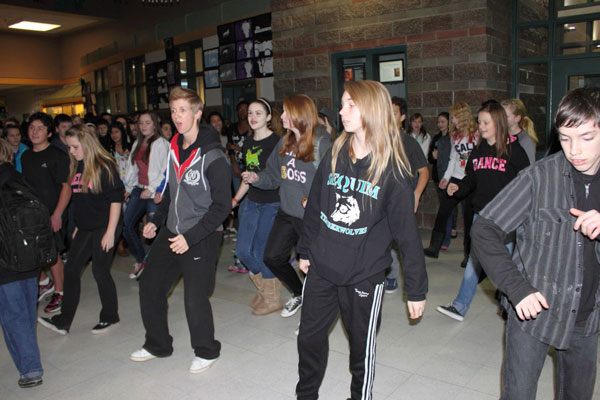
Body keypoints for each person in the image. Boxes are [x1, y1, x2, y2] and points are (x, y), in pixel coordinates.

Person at [295, 80, 427, 400]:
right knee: (309, 338)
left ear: (371, 110)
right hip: (323, 265)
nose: (341, 112)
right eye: (342, 104)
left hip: (363, 273)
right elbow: (315, 206)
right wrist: (305, 250)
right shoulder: (335, 152)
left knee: (360, 349)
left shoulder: (393, 170)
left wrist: (416, 289)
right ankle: (306, 395)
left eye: (350, 105)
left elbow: (407, 235)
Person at [472, 88, 600, 400]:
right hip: (534, 313)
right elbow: (485, 229)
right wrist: (517, 289)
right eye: (565, 138)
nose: (574, 150)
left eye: (586, 137)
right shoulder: (540, 177)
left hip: (587, 318)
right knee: (518, 394)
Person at [130, 87, 231, 374]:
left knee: (194, 297)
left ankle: (207, 351)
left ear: (198, 113)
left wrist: (190, 237)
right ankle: (157, 344)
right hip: (173, 229)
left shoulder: (213, 156)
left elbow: (222, 207)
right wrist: (157, 219)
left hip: (203, 234)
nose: (177, 116)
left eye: (183, 110)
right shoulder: (174, 144)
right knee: (150, 285)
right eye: (173, 111)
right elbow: (172, 191)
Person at [436, 102, 529, 322]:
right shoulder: (478, 150)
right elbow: (471, 178)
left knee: (504, 264)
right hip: (482, 215)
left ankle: (511, 305)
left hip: (505, 218)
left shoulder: (515, 151)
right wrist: (458, 188)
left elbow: (527, 183)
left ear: (498, 123)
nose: (481, 126)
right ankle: (459, 306)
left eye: (486, 122)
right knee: (474, 260)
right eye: (479, 122)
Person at [242, 94, 331, 318]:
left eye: (286, 112)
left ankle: (315, 314)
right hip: (287, 212)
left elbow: (332, 181)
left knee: (312, 266)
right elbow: (273, 176)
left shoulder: (321, 143)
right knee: (272, 257)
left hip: (310, 217)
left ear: (299, 114)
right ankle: (299, 293)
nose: (281, 116)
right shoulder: (284, 142)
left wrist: (316, 200)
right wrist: (256, 178)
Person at [37, 124, 123, 335]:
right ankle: (63, 321)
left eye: (75, 147)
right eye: (69, 147)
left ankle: (110, 316)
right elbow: (80, 200)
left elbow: (116, 200)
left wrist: (110, 231)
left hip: (106, 225)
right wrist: (77, 225)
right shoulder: (77, 166)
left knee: (100, 271)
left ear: (87, 144)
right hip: (86, 227)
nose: (71, 151)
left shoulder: (104, 165)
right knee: (72, 270)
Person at [232, 98, 282, 315]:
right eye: (250, 113)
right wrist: (235, 200)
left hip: (272, 203)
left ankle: (272, 298)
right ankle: (265, 289)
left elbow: (278, 178)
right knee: (243, 251)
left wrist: (257, 178)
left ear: (269, 117)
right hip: (252, 201)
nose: (252, 117)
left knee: (261, 252)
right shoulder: (248, 143)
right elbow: (247, 177)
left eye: (258, 113)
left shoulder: (277, 143)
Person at [0, 139, 44, 388]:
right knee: (26, 313)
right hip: (29, 258)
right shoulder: (20, 178)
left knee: (13, 316)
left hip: (5, 262)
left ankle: (30, 368)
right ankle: (30, 357)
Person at [21, 112, 70, 314]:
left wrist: (57, 214)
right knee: (36, 252)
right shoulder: (25, 156)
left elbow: (66, 187)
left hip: (54, 212)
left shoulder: (57, 155)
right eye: (32, 128)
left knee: (53, 254)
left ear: (49, 133)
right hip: (34, 213)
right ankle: (45, 283)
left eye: (40, 128)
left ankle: (61, 292)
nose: (35, 132)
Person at [385, 97, 429, 293]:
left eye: (393, 113)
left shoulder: (409, 143)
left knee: (403, 243)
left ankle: (403, 282)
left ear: (402, 117)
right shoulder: (378, 140)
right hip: (381, 198)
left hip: (402, 200)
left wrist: (416, 195)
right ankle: (387, 274)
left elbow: (424, 172)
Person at [424, 102, 477, 260]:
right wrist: (446, 178)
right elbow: (453, 159)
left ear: (462, 116)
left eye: (454, 116)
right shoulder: (455, 136)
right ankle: (434, 247)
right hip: (455, 178)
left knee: (468, 218)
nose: (452, 120)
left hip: (469, 180)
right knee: (443, 213)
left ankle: (468, 255)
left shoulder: (476, 134)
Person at [123, 111, 169, 279]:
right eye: (141, 123)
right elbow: (132, 168)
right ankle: (142, 260)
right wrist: (128, 187)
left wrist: (152, 189)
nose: (143, 126)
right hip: (138, 189)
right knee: (126, 225)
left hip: (154, 191)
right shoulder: (137, 143)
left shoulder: (162, 143)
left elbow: (165, 171)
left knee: (153, 230)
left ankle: (156, 265)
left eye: (147, 123)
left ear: (155, 124)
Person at [428, 112, 456, 250]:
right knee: (444, 209)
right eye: (438, 122)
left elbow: (453, 159)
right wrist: (433, 157)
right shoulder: (437, 138)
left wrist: (447, 177)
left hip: (449, 177)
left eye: (443, 122)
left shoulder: (453, 138)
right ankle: (446, 236)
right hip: (438, 176)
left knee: (447, 210)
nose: (440, 124)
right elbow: (430, 157)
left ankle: (445, 239)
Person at [501, 98, 538, 165]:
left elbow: (530, 166)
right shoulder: (501, 136)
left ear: (517, 118)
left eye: (506, 116)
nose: (501, 118)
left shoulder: (525, 140)